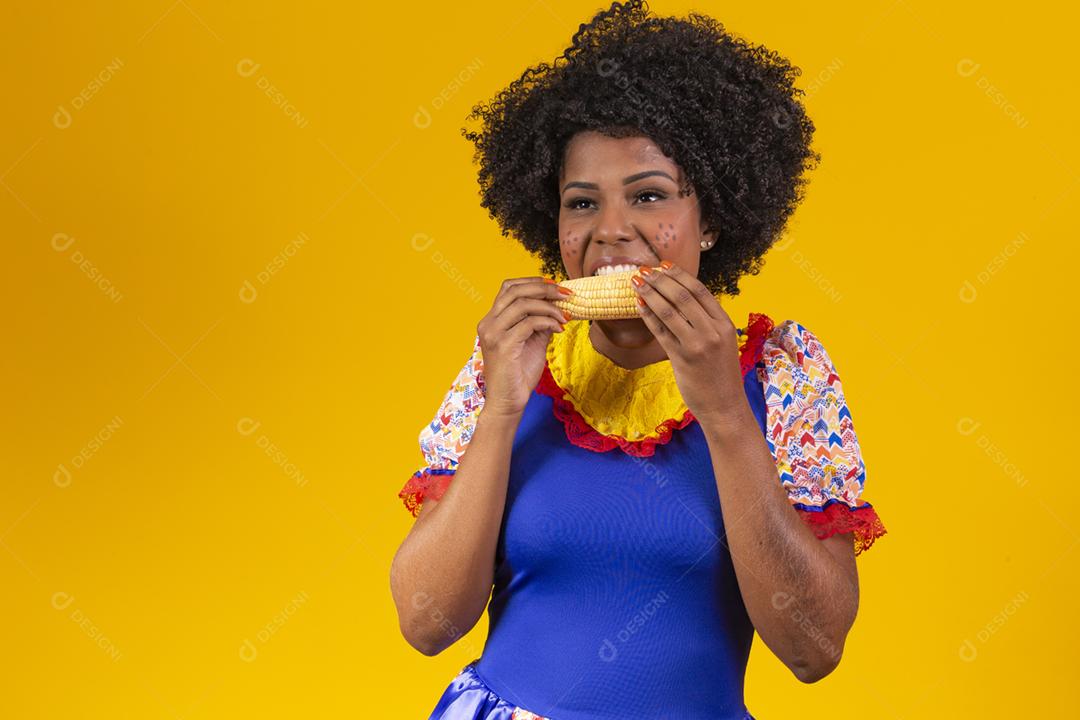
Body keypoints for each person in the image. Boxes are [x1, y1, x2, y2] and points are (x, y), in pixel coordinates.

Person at [389, 2, 887, 718]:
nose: (611, 231)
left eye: (649, 196)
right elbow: (425, 623)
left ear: (712, 221)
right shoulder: (510, 362)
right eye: (581, 203)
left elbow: (814, 650)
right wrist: (501, 409)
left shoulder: (783, 376)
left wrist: (725, 412)